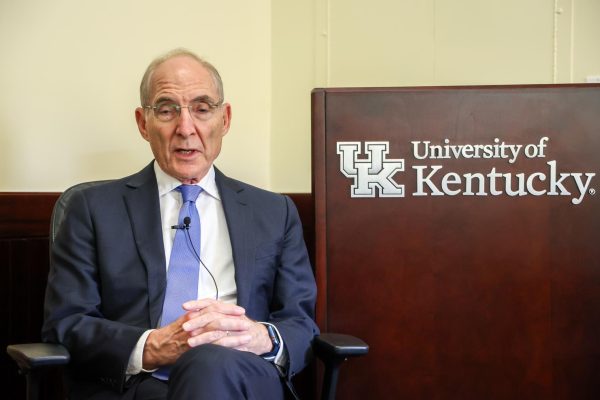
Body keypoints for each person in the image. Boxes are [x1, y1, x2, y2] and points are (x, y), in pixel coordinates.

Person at [42, 48, 318, 400]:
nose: (185, 128)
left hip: (242, 376)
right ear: (144, 123)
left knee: (209, 365)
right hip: (139, 386)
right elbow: (66, 322)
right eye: (167, 110)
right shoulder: (92, 209)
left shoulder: (274, 211)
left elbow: (301, 323)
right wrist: (153, 346)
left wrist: (259, 336)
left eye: (202, 109)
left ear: (226, 119)